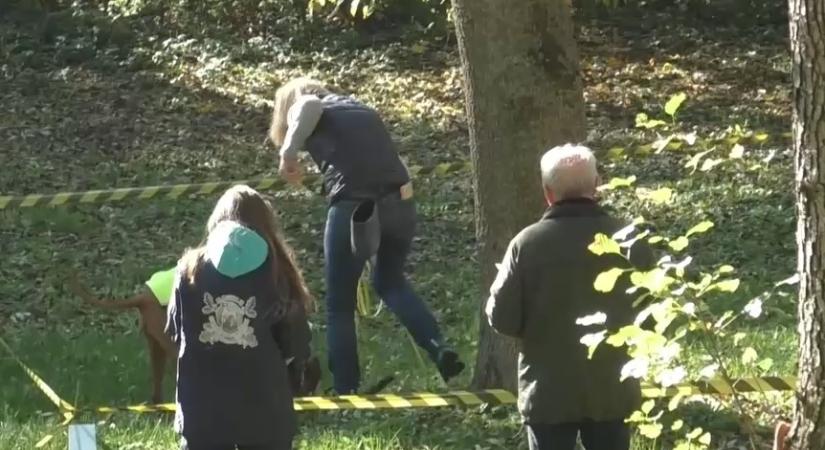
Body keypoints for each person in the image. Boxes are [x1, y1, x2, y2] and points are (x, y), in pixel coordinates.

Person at [268, 77, 464, 394]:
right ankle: (438, 347)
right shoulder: (361, 109)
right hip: (400, 202)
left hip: (354, 206)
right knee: (391, 282)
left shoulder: (311, 103)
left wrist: (288, 153)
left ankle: (346, 389)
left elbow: (308, 104)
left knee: (339, 304)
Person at [485, 144, 654, 450]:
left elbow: (502, 318)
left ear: (547, 192)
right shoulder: (629, 240)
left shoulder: (526, 245)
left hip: (548, 392)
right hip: (613, 388)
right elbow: (652, 316)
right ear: (597, 184)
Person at [165, 185, 313, 450]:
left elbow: (176, 332)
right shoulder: (278, 270)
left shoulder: (188, 268)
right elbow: (296, 343)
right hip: (265, 410)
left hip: (202, 409)